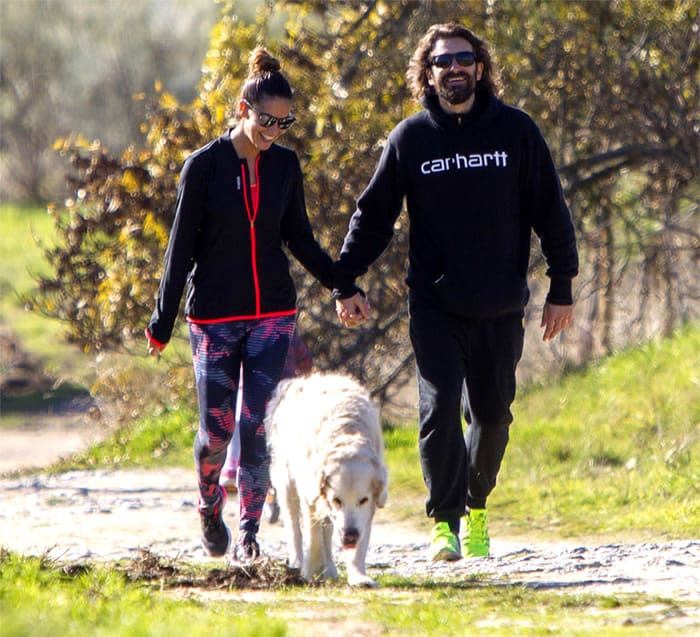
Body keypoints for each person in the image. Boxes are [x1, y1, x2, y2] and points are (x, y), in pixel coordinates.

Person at [333, 23, 578, 561]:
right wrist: (343, 279)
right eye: (443, 62)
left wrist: (562, 285)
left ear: (481, 68)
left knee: (492, 418)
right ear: (428, 73)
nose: (455, 68)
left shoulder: (516, 132)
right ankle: (445, 524)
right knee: (439, 409)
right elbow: (374, 218)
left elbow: (550, 211)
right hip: (436, 305)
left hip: (500, 303)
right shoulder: (411, 139)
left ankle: (477, 507)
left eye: (464, 59)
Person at [146, 47, 335, 563]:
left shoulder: (285, 166)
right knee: (216, 431)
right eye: (267, 120)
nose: (275, 130)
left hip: (273, 315)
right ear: (242, 110)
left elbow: (299, 237)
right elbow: (179, 247)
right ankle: (210, 507)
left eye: (285, 122)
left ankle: (250, 534)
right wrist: (161, 320)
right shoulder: (203, 168)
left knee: (257, 428)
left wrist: (342, 284)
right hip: (214, 318)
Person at [219, 330, 313, 525]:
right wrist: (305, 375)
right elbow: (304, 360)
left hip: (259, 394)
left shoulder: (246, 331)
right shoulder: (288, 331)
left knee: (246, 432)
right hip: (283, 395)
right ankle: (263, 487)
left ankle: (233, 470)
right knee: (275, 445)